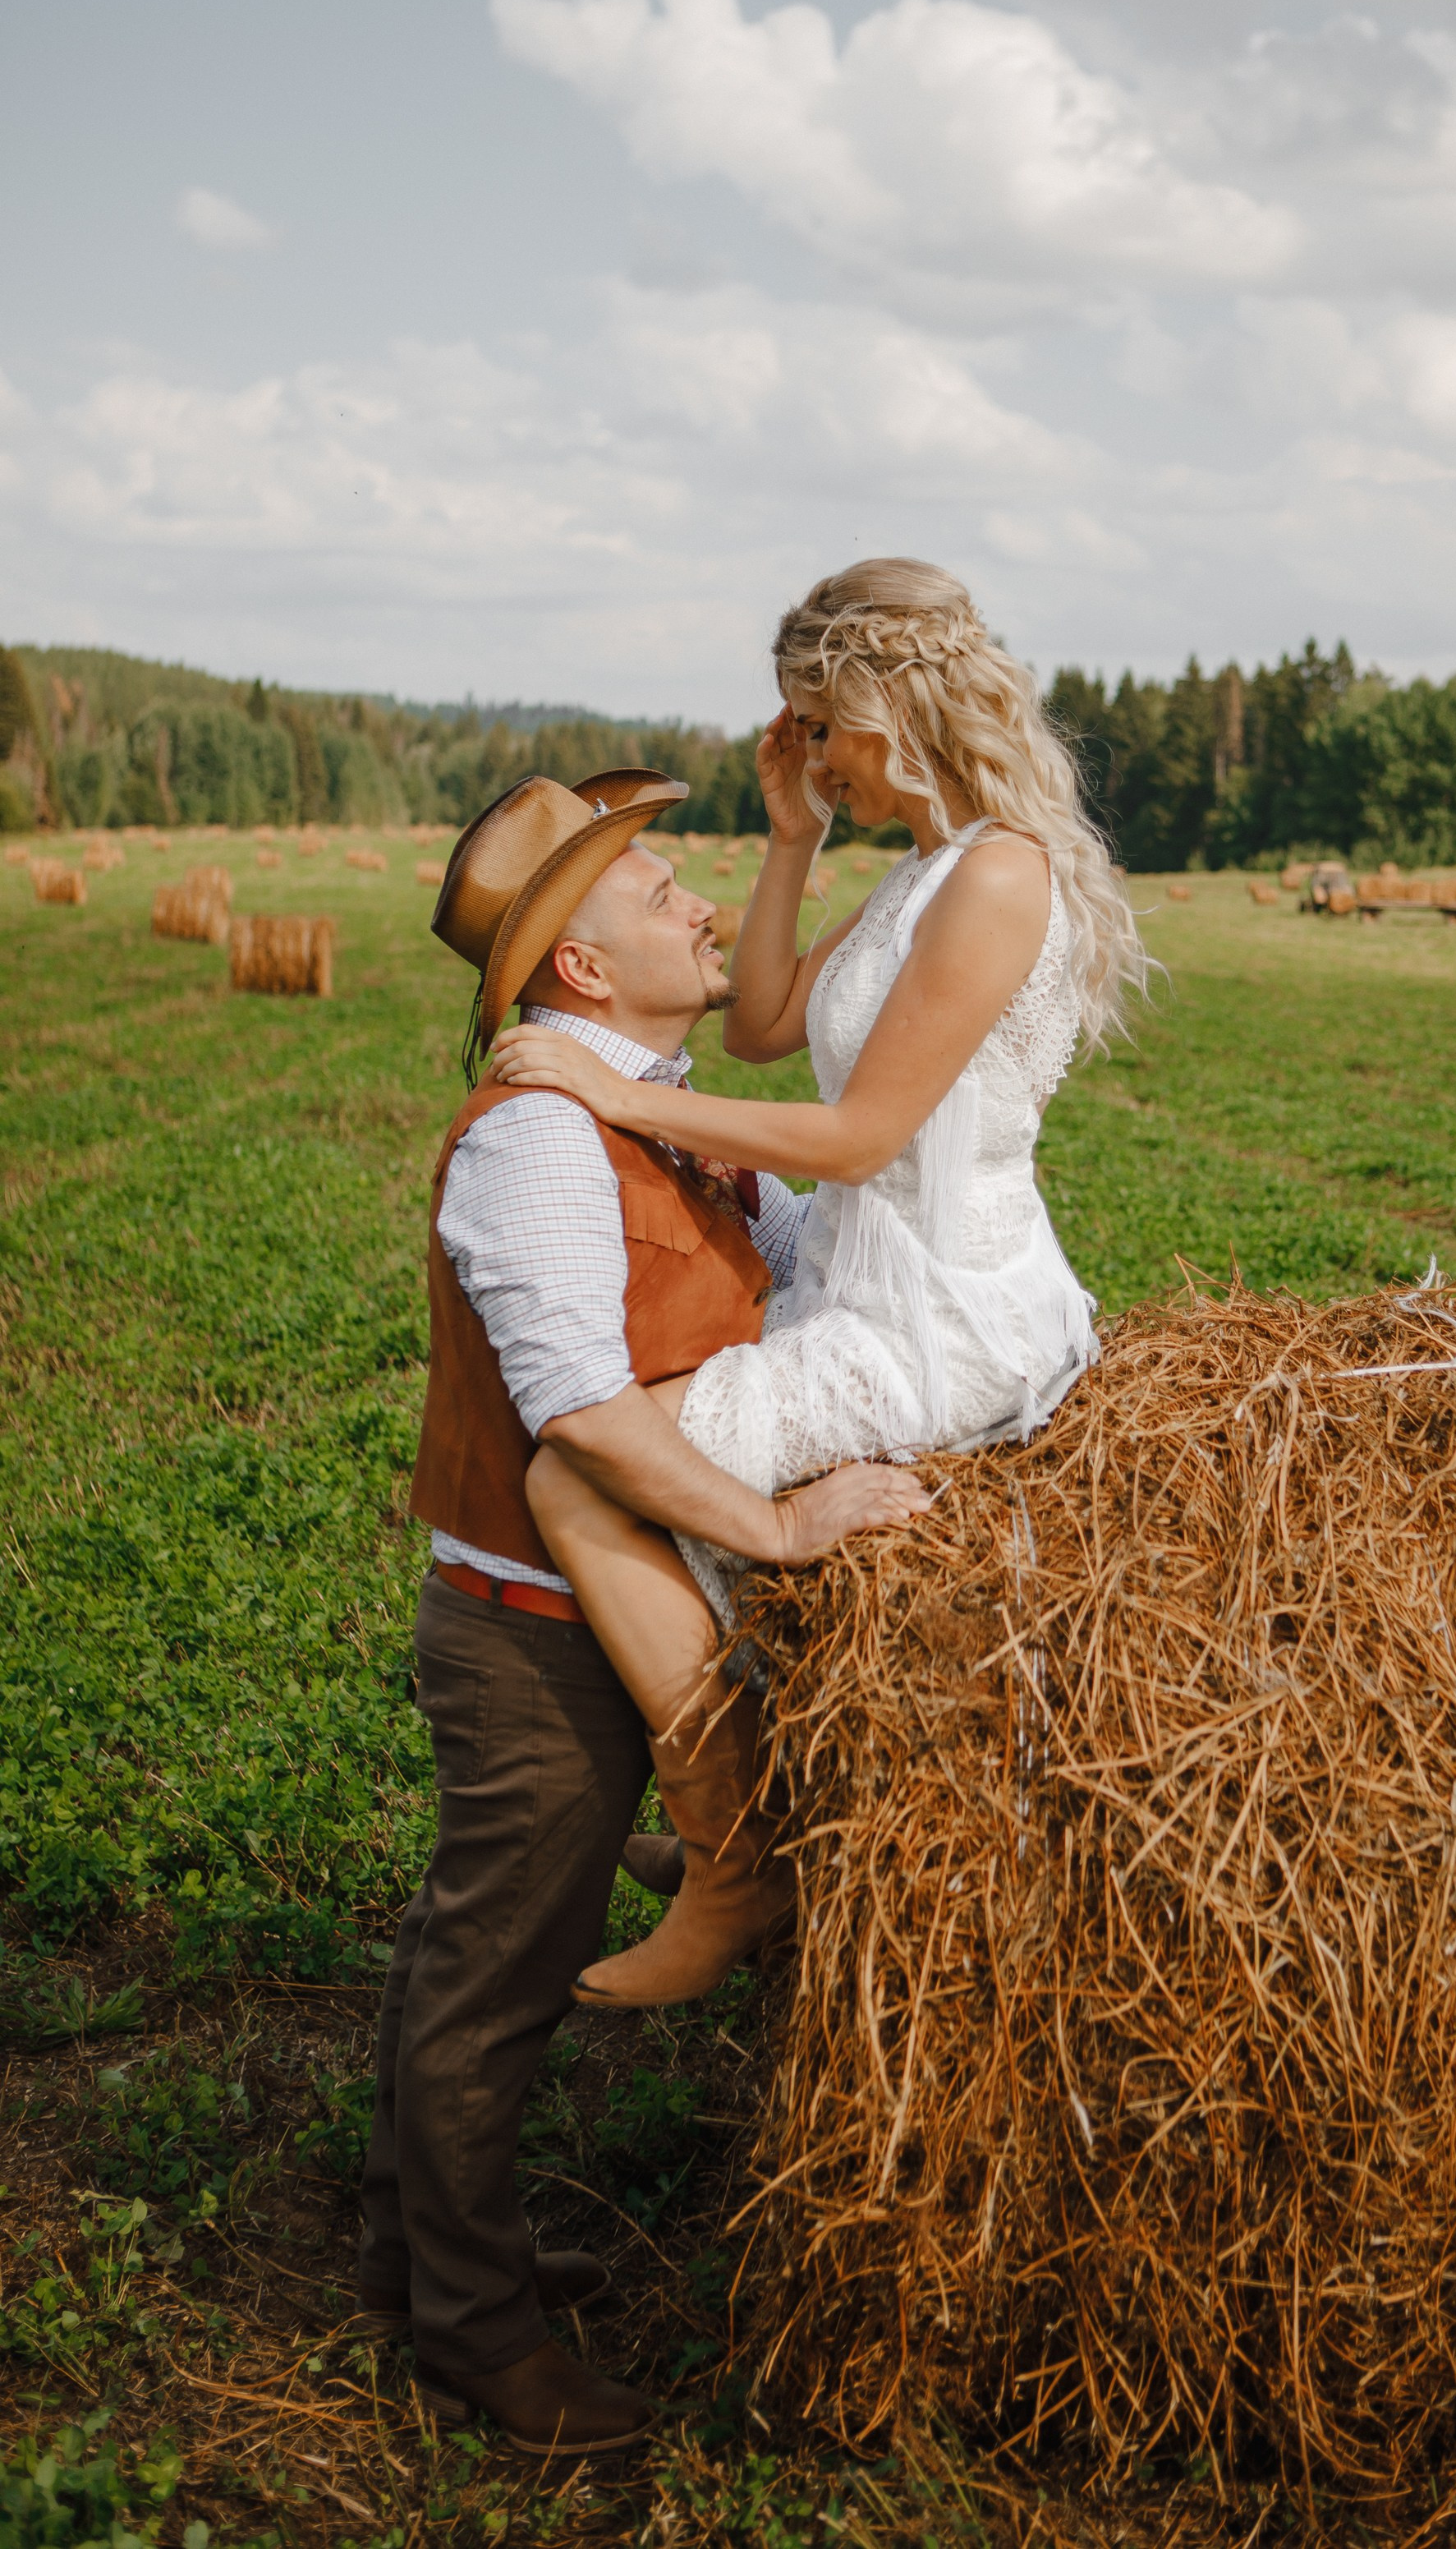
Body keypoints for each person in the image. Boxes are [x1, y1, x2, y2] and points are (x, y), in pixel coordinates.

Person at [358, 764, 926, 2462]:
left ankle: (419, 2246)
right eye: (662, 887)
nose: (700, 905)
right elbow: (585, 1416)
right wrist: (783, 1521)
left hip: (625, 1616)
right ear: (583, 975)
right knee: (496, 1977)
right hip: (538, 1640)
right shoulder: (540, 1134)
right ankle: (472, 2333)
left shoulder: (658, 1112)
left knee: (473, 1948)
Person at [492, 559, 1149, 2010]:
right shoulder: (926, 870)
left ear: (886, 705)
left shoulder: (997, 874)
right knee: (629, 1459)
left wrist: (616, 1098)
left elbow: (857, 1136)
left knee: (582, 1482)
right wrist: (791, 836)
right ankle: (751, 1803)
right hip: (868, 1288)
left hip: (940, 1317)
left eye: (819, 726)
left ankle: (739, 1864)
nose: (814, 756)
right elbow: (767, 1027)